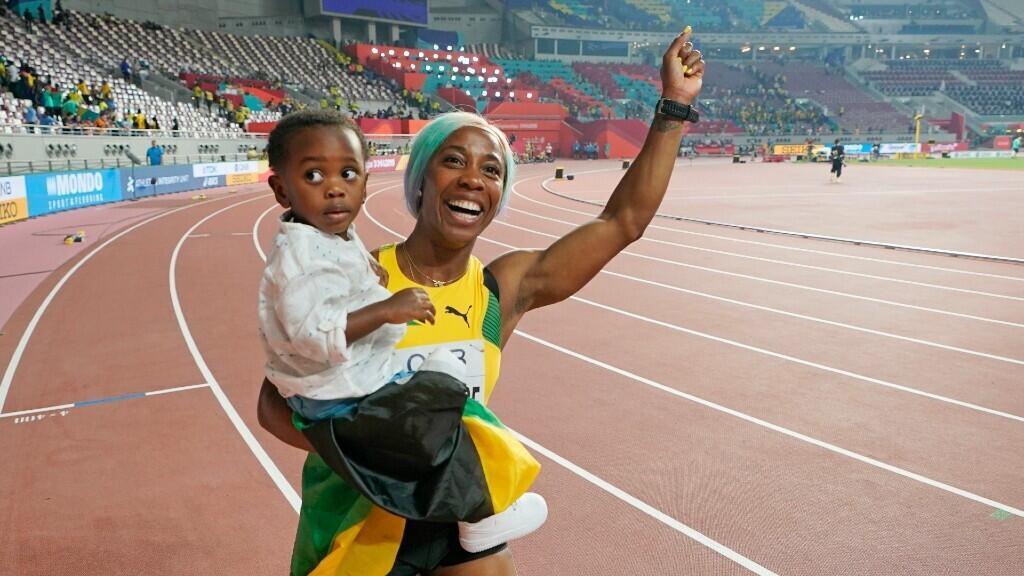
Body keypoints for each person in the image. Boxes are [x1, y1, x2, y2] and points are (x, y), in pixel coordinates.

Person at [257, 26, 705, 576]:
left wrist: (673, 107)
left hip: (457, 520)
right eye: (454, 162)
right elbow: (272, 403)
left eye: (491, 170)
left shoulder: (503, 289)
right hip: (357, 527)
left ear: (498, 197)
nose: (473, 179)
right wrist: (378, 457)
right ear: (421, 180)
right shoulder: (359, 277)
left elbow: (622, 222)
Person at [259, 110, 547, 554]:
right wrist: (387, 310)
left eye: (348, 174)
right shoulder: (301, 258)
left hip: (365, 414)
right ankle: (483, 512)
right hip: (347, 469)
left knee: (447, 395)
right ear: (282, 189)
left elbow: (623, 222)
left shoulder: (331, 236)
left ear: (365, 183)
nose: (334, 188)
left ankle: (479, 511)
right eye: (314, 175)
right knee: (439, 411)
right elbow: (308, 342)